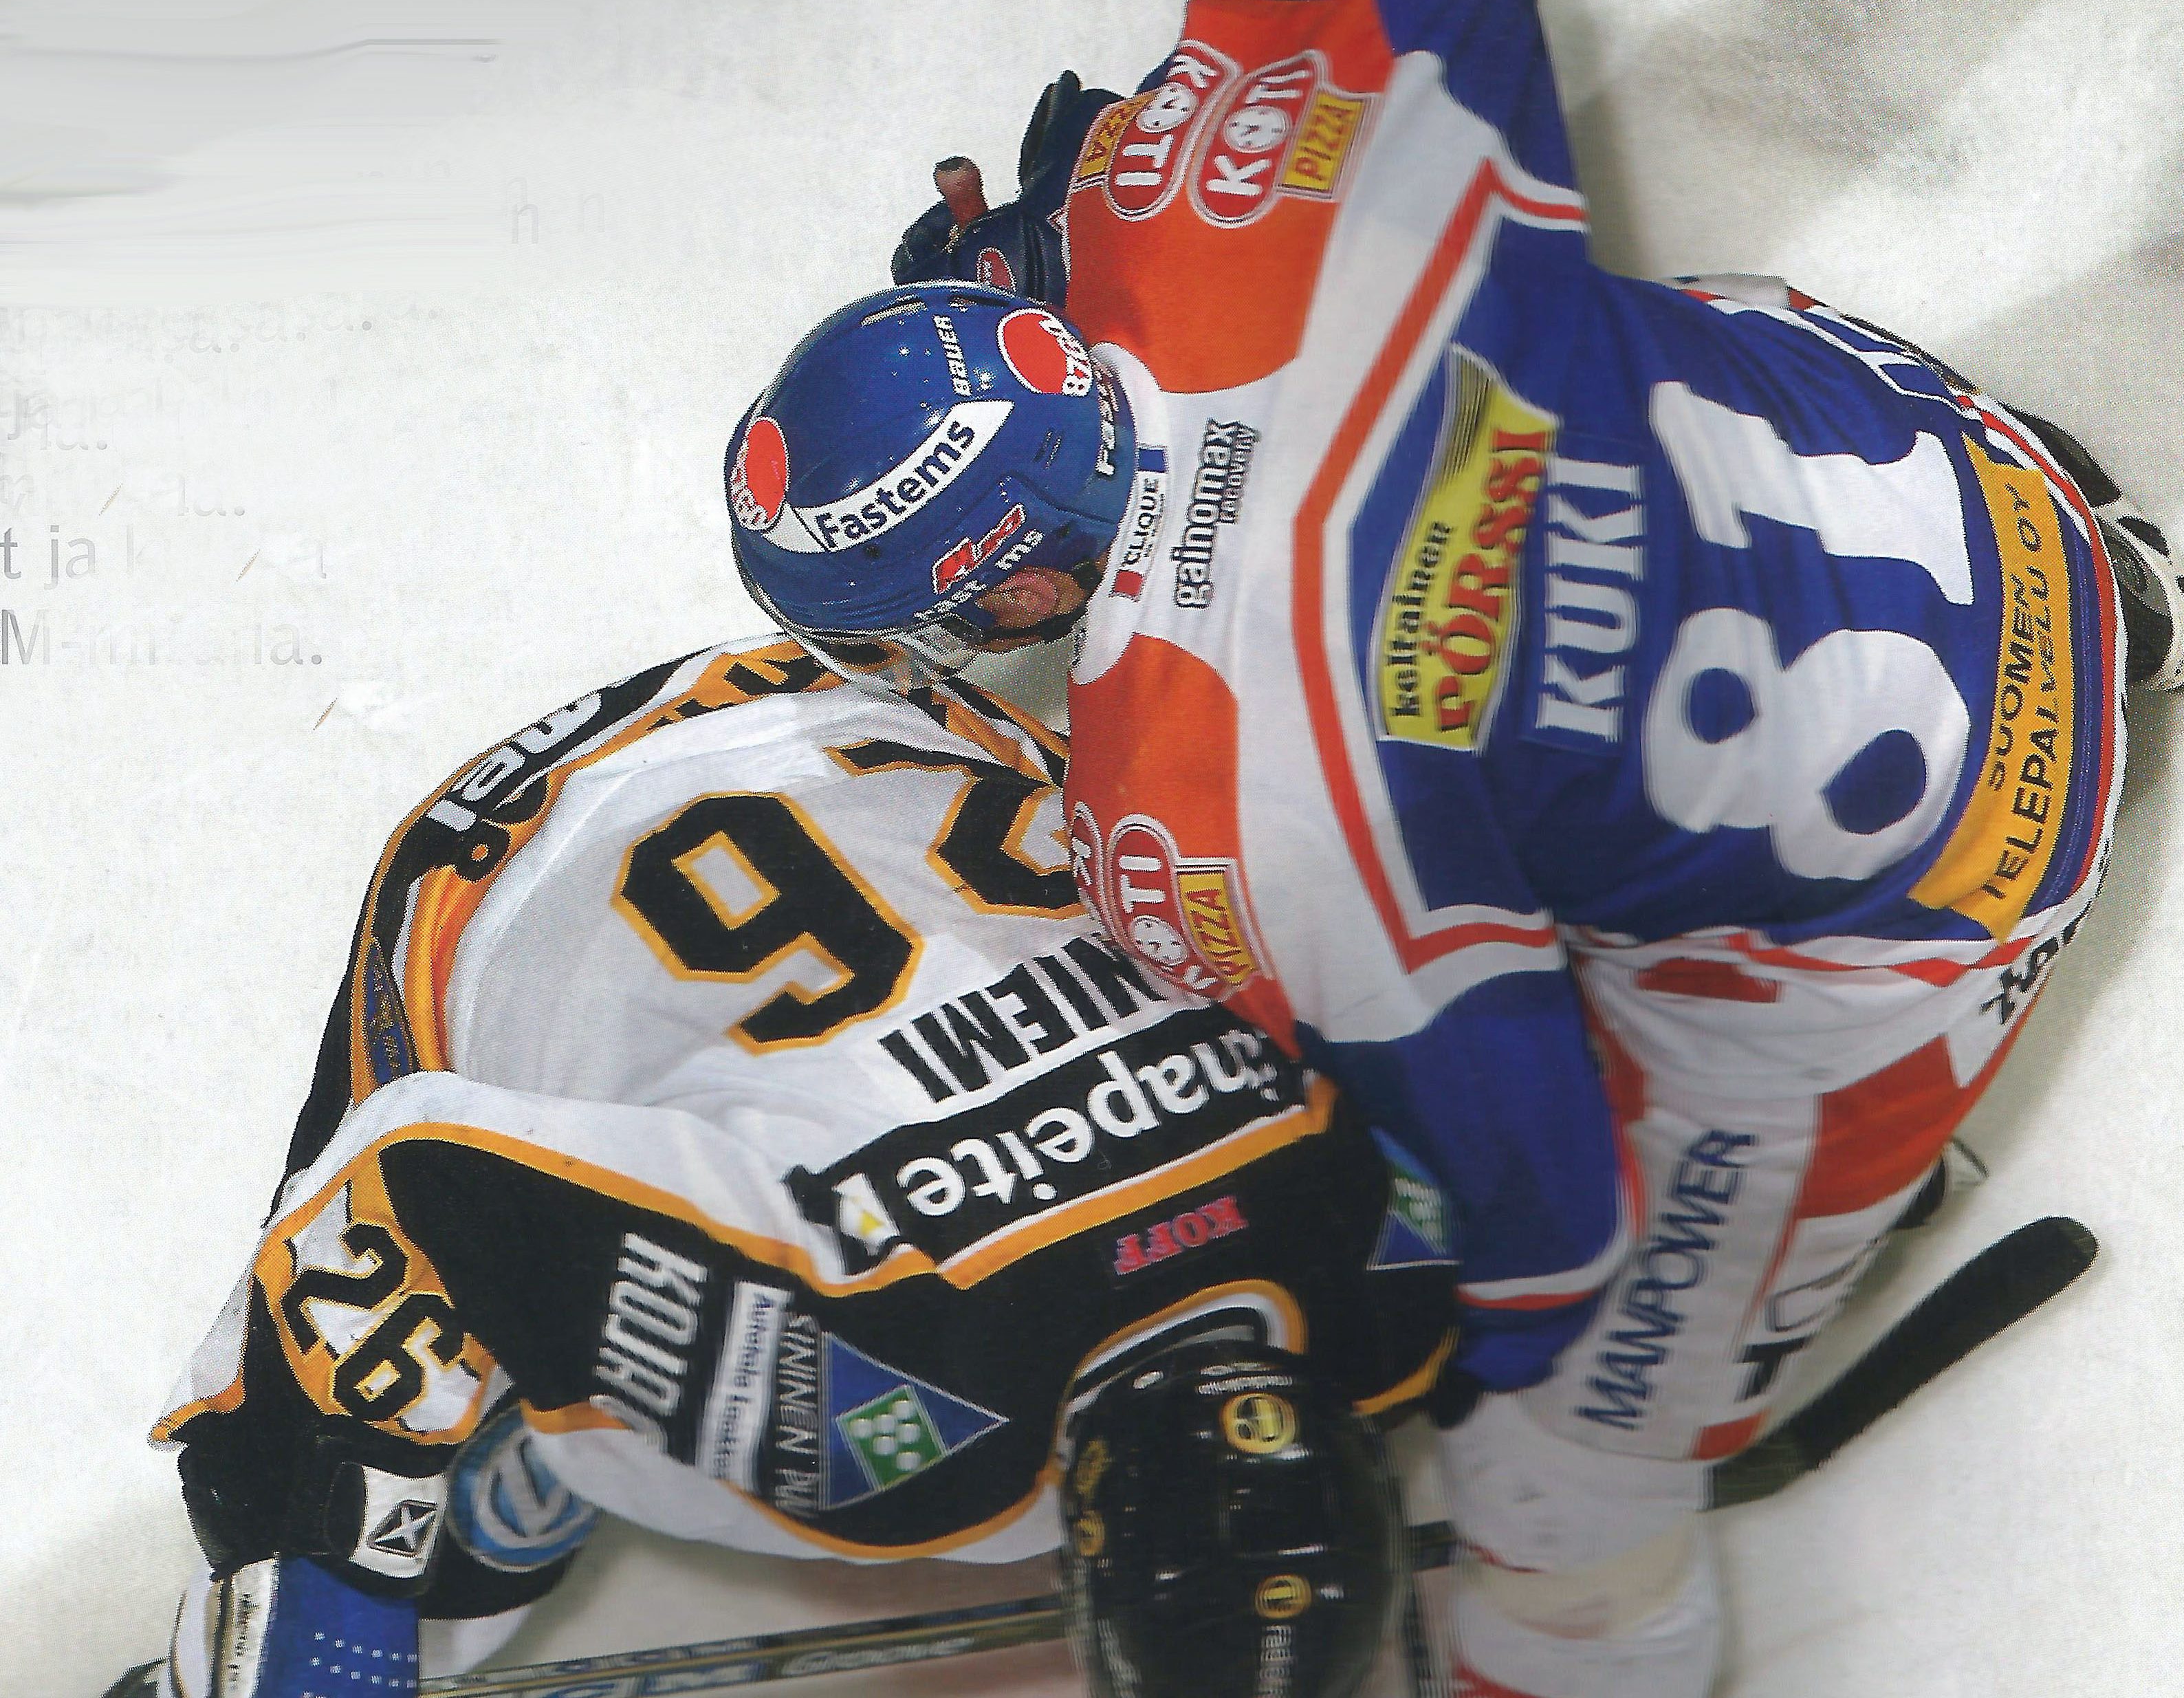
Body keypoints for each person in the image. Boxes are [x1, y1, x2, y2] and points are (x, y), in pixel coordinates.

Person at [722, 0, 2184, 1694]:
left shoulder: (1176, 806)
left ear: (1018, 586)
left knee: (1573, 1468)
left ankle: (1805, 1247)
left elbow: (1536, 1210)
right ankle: (2118, 591)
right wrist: (1105, 199)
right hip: (1950, 470)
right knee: (1577, 335)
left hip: (1964, 870)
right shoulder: (1182, 173)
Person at [108, 633, 1454, 1698]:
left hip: (865, 693)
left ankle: (560, 1417)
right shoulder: (895, 1426)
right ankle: (525, 1464)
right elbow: (410, 1179)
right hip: (511, 850)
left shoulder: (1404, 1267)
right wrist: (319, 1577)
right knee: (435, 1570)